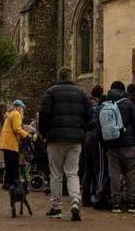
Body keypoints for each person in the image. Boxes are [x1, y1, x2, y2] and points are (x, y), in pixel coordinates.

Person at [38, 66, 93, 221]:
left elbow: (43, 115)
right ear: (71, 77)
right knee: (72, 172)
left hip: (55, 138)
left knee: (56, 174)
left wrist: (44, 134)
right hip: (75, 139)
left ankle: (56, 207)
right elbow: (90, 116)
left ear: (59, 77)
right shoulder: (82, 93)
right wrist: (82, 130)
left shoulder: (51, 92)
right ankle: (75, 201)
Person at [103, 81, 135, 213]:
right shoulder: (128, 103)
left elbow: (100, 127)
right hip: (130, 144)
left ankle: (116, 203)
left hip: (112, 145)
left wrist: (106, 144)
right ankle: (131, 203)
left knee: (114, 174)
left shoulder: (106, 104)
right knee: (132, 173)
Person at [81, 85, 108, 207]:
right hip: (96, 137)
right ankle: (100, 195)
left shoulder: (86, 105)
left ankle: (85, 197)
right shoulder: (99, 107)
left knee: (88, 169)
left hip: (87, 137)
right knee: (99, 168)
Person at [0, 99, 31, 190]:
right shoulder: (16, 114)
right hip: (11, 142)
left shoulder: (9, 114)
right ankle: (14, 183)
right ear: (19, 108)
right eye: (22, 109)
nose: (22, 111)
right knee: (13, 165)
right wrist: (26, 135)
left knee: (8, 164)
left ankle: (6, 183)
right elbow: (16, 128)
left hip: (5, 142)